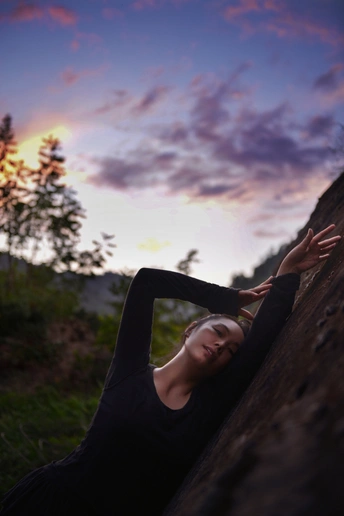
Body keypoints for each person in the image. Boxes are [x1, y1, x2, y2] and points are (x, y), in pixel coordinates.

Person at [1, 225, 340, 516]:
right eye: (219, 332)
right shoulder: (129, 372)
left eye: (231, 350)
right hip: (49, 500)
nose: (222, 345)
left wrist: (288, 272)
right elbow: (146, 283)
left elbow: (263, 338)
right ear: (192, 329)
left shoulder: (209, 404)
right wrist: (226, 298)